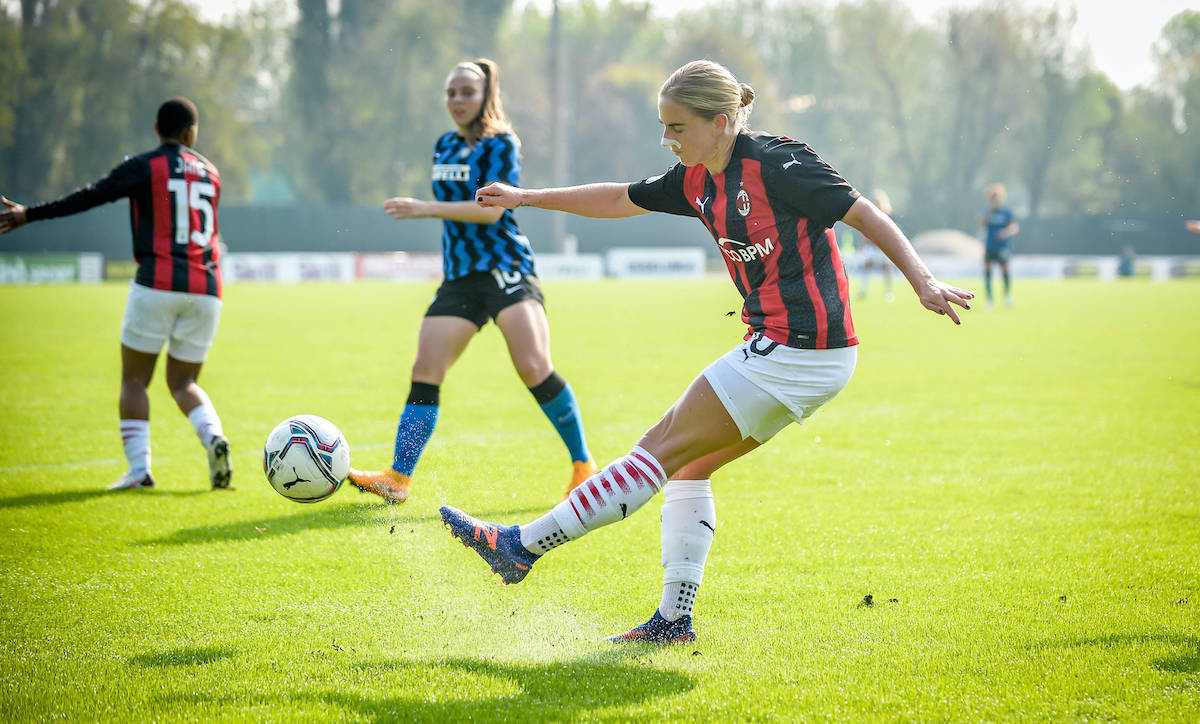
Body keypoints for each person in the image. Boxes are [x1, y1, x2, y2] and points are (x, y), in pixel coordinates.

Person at [437, 60, 973, 643]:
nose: (667, 140)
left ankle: (521, 547)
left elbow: (864, 212)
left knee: (655, 451)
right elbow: (619, 198)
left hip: (798, 349)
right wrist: (527, 197)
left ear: (720, 123)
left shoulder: (778, 162)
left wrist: (922, 280)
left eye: (676, 127)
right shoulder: (696, 176)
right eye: (663, 127)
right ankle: (673, 621)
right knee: (689, 468)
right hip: (802, 354)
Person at [346, 58, 596, 505]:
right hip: (461, 275)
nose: (457, 100)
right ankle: (398, 478)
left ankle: (583, 466)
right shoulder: (444, 144)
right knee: (426, 370)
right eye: (451, 93)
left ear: (485, 96)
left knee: (534, 367)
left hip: (504, 267)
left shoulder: (501, 144)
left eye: (466, 92)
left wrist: (424, 208)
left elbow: (493, 209)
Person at [0, 98, 232, 491]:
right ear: (191, 132)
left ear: (158, 130)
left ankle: (140, 472)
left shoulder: (145, 166)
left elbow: (91, 195)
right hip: (207, 287)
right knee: (183, 382)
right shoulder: (212, 173)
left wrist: (29, 214)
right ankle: (213, 439)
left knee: (135, 380)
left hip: (157, 283)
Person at [979, 183, 1018, 308]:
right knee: (988, 272)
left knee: (1005, 271)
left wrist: (1006, 232)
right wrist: (987, 216)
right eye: (992, 198)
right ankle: (990, 300)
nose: (995, 200)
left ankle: (1007, 296)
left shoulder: (1006, 212)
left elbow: (1014, 227)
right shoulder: (987, 212)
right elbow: (980, 222)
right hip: (990, 246)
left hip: (1003, 247)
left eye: (997, 198)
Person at [857, 189, 896, 302]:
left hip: (883, 247)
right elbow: (865, 229)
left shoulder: (888, 214)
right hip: (872, 246)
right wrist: (863, 243)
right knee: (867, 266)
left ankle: (888, 292)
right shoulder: (870, 213)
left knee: (886, 269)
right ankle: (863, 290)